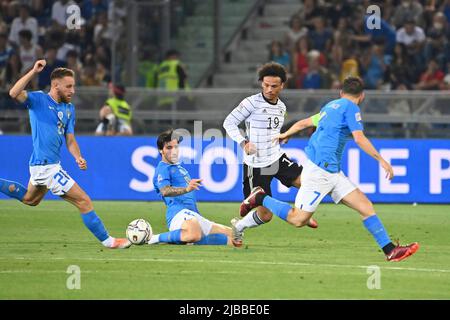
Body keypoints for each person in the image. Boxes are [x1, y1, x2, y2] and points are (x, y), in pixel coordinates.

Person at [238, 77, 419, 262]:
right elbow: (359, 138)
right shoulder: (352, 109)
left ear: (341, 93)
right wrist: (381, 159)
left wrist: (285, 133)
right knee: (298, 219)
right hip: (319, 172)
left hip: (333, 172)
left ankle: (390, 250)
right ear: (362, 96)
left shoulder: (331, 107)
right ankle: (259, 197)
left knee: (365, 207)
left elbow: (304, 123)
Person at [0, 59, 131, 249]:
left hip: (45, 165)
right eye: (69, 86)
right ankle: (109, 241)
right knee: (84, 201)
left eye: (74, 86)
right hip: (47, 166)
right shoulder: (38, 100)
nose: (73, 91)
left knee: (30, 199)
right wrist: (34, 72)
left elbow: (70, 139)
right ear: (56, 85)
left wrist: (77, 156)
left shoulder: (69, 109)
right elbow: (13, 93)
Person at [222, 62, 317, 244]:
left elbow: (272, 129)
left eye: (274, 86)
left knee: (309, 182)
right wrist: (243, 142)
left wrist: (281, 136)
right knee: (265, 215)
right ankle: (239, 226)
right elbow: (229, 123)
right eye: (266, 85)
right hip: (255, 164)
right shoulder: (251, 102)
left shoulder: (281, 107)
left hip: (276, 157)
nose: (269, 89)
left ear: (282, 85)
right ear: (261, 83)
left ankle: (301, 214)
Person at [149, 129, 240, 247]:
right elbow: (165, 191)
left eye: (176, 147)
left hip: (193, 215)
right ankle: (154, 238)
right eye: (169, 148)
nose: (174, 151)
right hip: (178, 214)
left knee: (235, 237)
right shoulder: (163, 168)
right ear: (161, 150)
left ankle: (185, 239)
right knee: (194, 233)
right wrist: (186, 189)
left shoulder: (179, 168)